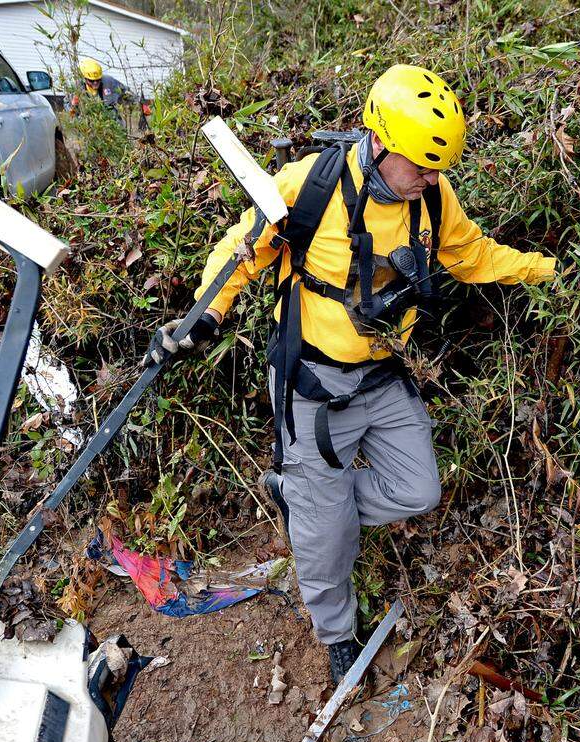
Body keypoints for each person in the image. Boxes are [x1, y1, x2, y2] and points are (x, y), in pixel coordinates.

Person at [145, 64, 556, 683]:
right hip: (313, 383)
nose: (430, 178)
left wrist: (549, 271)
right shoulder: (309, 187)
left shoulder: (434, 200)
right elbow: (241, 251)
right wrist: (206, 314)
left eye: (437, 167)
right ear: (382, 142)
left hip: (382, 375)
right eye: (420, 164)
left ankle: (309, 509)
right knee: (325, 538)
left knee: (418, 490)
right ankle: (335, 626)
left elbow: (474, 256)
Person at [70, 58, 128, 124]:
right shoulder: (77, 88)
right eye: (91, 80)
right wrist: (73, 106)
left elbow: (127, 93)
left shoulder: (109, 81)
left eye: (98, 79)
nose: (95, 83)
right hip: (90, 125)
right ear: (85, 79)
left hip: (111, 122)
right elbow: (69, 106)